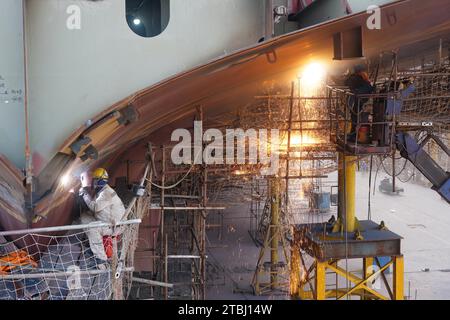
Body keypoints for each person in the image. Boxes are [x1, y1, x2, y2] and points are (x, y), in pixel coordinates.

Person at [79, 168, 126, 268]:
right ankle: (93, 242)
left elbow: (95, 207)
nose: (93, 182)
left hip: (114, 226)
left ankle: (101, 259)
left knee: (92, 228)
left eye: (95, 180)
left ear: (98, 181)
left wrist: (84, 194)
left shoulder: (106, 193)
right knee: (85, 216)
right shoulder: (103, 190)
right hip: (109, 221)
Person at [345, 65, 375, 142]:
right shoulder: (361, 79)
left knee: (356, 118)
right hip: (360, 100)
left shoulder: (356, 79)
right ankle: (354, 135)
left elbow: (349, 84)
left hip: (360, 101)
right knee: (356, 117)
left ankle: (354, 135)